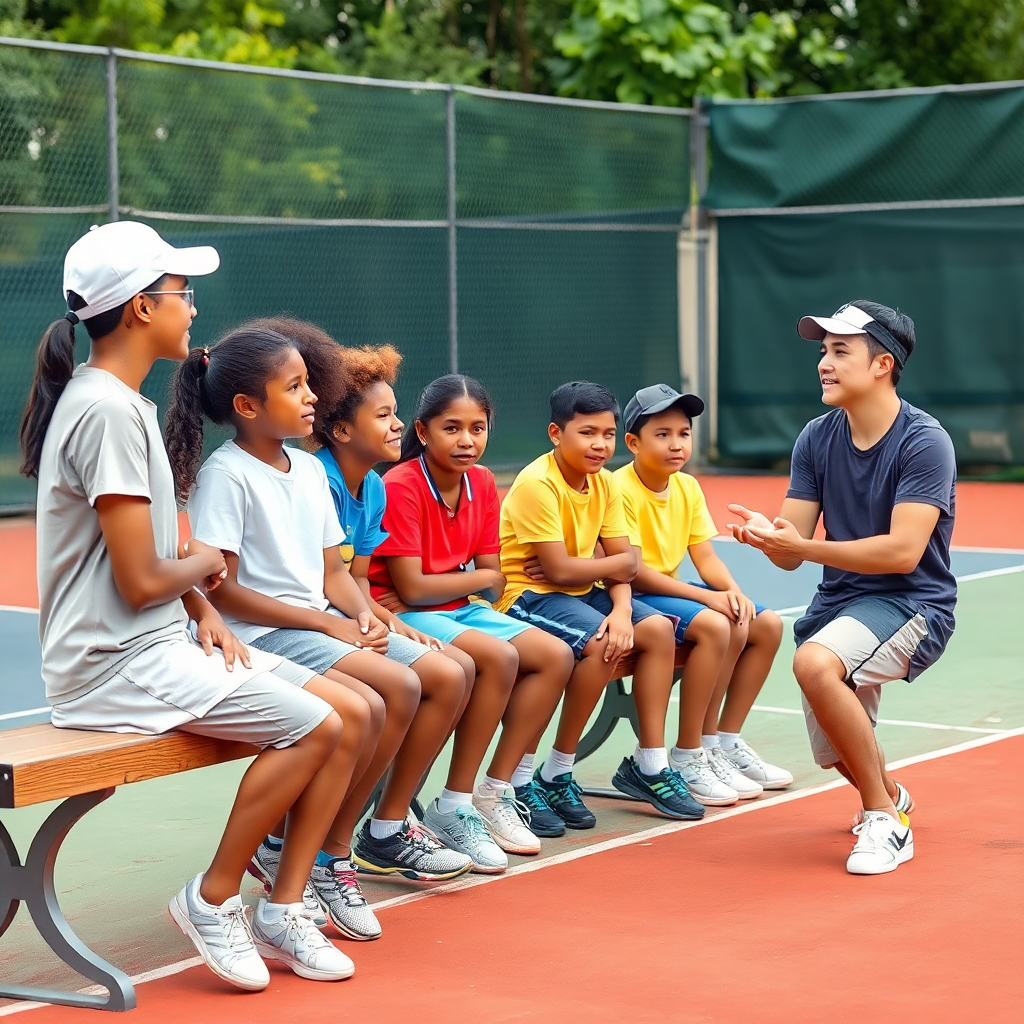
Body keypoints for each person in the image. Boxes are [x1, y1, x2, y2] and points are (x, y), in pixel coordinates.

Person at [22, 221, 361, 990]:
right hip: (111, 665)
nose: (193, 309)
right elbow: (144, 580)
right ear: (142, 308)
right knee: (318, 725)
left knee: (351, 710)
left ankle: (281, 907)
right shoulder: (107, 410)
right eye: (182, 294)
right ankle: (212, 900)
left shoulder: (117, 402)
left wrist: (203, 610)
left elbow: (151, 569)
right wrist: (209, 566)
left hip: (152, 643)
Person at [165, 325, 473, 944]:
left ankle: (352, 842)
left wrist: (362, 614)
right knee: (397, 688)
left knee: (444, 671)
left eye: (310, 383)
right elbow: (220, 589)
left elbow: (334, 571)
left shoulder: (307, 468)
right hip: (265, 633)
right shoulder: (227, 474)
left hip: (319, 624)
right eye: (296, 386)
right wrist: (330, 623)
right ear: (247, 407)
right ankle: (326, 853)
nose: (313, 397)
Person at [729, 300, 956, 875]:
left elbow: (903, 552)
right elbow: (791, 547)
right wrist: (769, 539)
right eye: (823, 352)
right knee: (836, 755)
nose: (824, 364)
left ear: (883, 363)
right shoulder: (816, 437)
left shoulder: (925, 442)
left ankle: (884, 819)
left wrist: (799, 548)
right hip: (839, 606)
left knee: (812, 663)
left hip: (911, 603)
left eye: (840, 351)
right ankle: (891, 793)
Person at [368, 375, 577, 866]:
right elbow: (415, 589)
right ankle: (454, 805)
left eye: (477, 428)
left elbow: (494, 577)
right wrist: (467, 575)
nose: (466, 440)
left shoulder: (482, 481)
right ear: (422, 431)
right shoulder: (399, 486)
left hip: (457, 608)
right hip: (407, 613)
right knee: (500, 657)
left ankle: (493, 791)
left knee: (556, 655)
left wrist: (462, 577)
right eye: (452, 428)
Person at [496, 381, 703, 827]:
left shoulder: (604, 483)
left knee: (658, 629)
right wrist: (602, 566)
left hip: (576, 591)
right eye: (587, 433)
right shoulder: (537, 484)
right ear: (556, 433)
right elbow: (563, 571)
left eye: (607, 434)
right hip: (528, 596)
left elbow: (622, 565)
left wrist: (623, 610)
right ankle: (529, 778)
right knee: (599, 642)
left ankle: (648, 764)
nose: (600, 444)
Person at [614, 384, 791, 805]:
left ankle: (721, 743)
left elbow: (706, 557)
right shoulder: (618, 489)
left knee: (763, 622)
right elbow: (634, 573)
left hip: (667, 590)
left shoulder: (687, 487)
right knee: (715, 623)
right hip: (635, 595)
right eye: (663, 434)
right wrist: (711, 601)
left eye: (684, 433)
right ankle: (688, 754)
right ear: (633, 443)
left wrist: (731, 591)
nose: (677, 444)